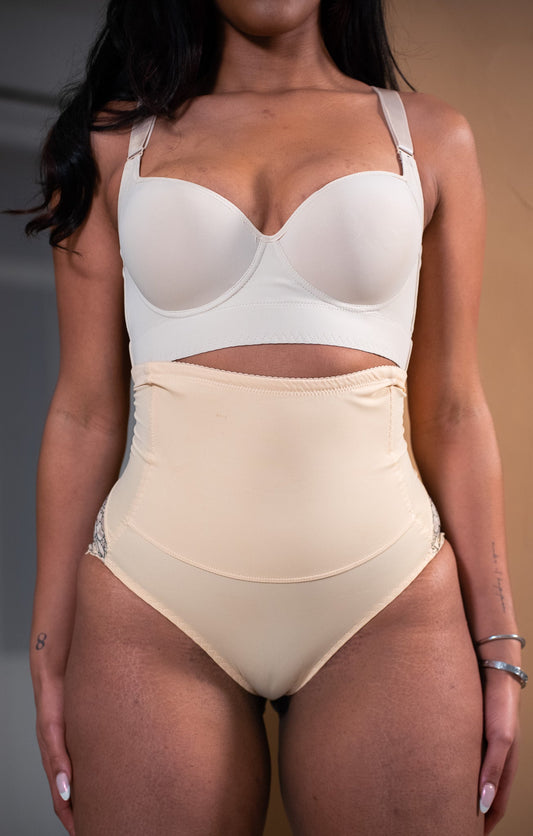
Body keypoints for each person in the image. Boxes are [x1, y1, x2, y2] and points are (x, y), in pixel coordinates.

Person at [21, 1, 525, 834]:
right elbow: (82, 414)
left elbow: (452, 409)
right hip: (154, 603)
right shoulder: (111, 146)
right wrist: (49, 648)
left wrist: (501, 647)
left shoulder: (431, 139)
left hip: (385, 601)